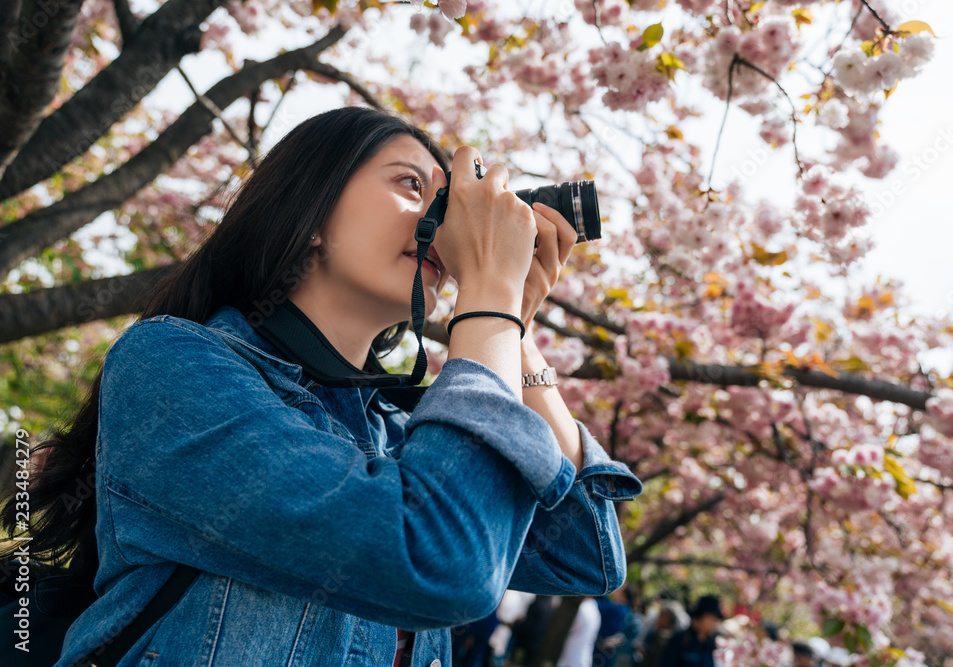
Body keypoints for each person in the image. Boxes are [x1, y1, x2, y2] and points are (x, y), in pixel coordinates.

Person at [0, 107, 643, 666]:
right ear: (308, 211)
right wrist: (488, 309)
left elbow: (584, 550)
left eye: (448, 203)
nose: (443, 225)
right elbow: (442, 561)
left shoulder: (396, 430)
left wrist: (515, 327)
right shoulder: (172, 366)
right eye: (412, 185)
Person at [658, 595, 725, 667]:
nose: (713, 623)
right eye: (710, 618)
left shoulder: (711, 643)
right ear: (698, 617)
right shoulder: (681, 639)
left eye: (715, 619)